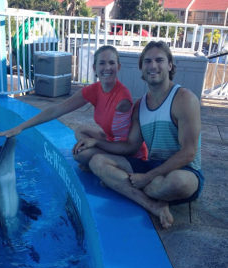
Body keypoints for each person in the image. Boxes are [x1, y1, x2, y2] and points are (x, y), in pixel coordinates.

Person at [73, 41, 204, 228]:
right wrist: (96, 142)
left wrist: (148, 176)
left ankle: (122, 185)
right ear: (141, 68)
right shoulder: (140, 106)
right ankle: (153, 204)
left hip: (186, 171)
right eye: (147, 61)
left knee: (178, 182)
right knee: (97, 162)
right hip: (152, 165)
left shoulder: (184, 99)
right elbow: (130, 146)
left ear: (170, 65)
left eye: (159, 60)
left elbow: (189, 152)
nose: (153, 66)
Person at [0, 45, 147, 170]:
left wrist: (93, 144)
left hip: (128, 154)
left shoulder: (122, 99)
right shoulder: (94, 89)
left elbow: (127, 145)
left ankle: (106, 165)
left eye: (111, 63)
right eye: (102, 63)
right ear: (95, 67)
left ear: (118, 66)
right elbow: (57, 110)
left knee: (80, 155)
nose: (107, 67)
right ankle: (96, 161)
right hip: (111, 140)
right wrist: (21, 127)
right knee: (80, 130)